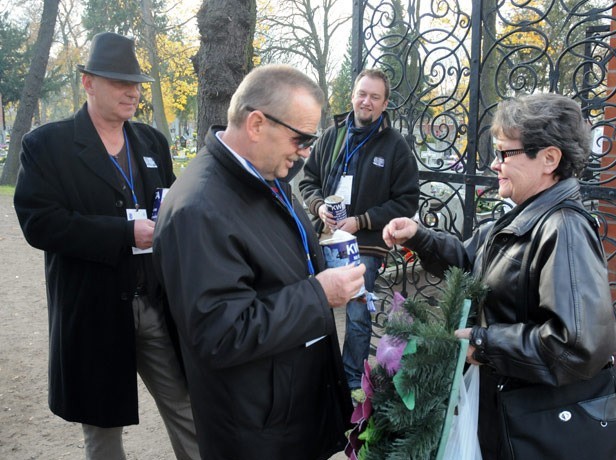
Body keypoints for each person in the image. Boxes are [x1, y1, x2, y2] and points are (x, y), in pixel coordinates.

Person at [382, 93, 616, 459]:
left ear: (549, 159)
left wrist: (483, 343)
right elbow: (467, 260)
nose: (494, 164)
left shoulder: (564, 228)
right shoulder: (520, 218)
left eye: (505, 153)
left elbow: (577, 345)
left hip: (535, 424)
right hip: (508, 408)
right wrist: (418, 236)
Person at [152, 64, 366, 460]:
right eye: (300, 139)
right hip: (255, 427)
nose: (305, 153)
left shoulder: (262, 176)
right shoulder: (200, 207)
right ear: (255, 124)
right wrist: (319, 294)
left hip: (286, 408)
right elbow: (219, 332)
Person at [13, 32, 199, 460]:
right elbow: (41, 224)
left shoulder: (152, 143)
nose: (132, 92)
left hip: (153, 301)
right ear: (88, 83)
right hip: (93, 308)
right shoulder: (47, 146)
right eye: (119, 82)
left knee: (187, 407)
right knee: (102, 428)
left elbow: (168, 204)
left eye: (135, 83)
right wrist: (124, 233)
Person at [299, 68, 419, 402]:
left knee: (356, 311)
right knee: (312, 303)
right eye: (362, 93)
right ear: (353, 95)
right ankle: (317, 373)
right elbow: (308, 181)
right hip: (324, 237)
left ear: (385, 104)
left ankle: (351, 378)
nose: (366, 101)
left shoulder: (395, 146)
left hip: (364, 243)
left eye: (374, 97)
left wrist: (362, 220)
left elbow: (407, 201)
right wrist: (319, 205)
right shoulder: (332, 136)